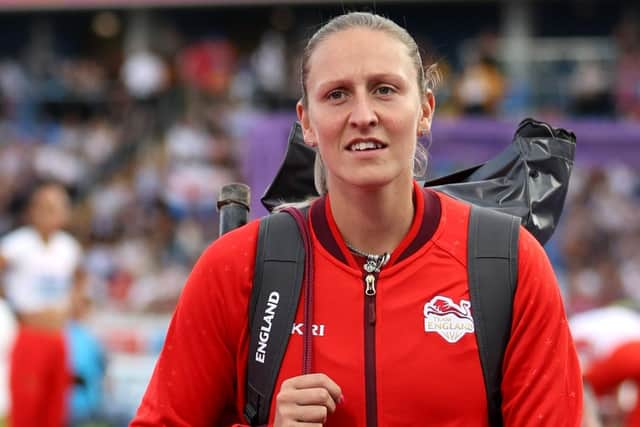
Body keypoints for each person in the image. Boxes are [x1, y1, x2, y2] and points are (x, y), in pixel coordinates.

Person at [131, 12, 583, 426]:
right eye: (337, 94)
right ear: (306, 122)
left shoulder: (509, 265)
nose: (363, 116)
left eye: (385, 89)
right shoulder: (237, 267)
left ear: (425, 109)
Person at [0, 181, 85, 427]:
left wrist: (75, 302)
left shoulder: (68, 247)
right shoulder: (19, 244)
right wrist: (10, 304)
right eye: (45, 207)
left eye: (56, 208)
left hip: (59, 336)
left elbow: (80, 276)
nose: (50, 214)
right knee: (26, 408)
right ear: (33, 211)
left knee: (55, 408)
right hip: (29, 334)